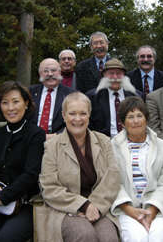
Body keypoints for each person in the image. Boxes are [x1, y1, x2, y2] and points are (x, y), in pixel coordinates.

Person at [36, 92, 120, 242]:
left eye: (83, 113)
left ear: (89, 115)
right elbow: (49, 187)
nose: (77, 119)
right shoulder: (52, 146)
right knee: (84, 235)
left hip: (99, 206)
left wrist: (94, 206)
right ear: (63, 115)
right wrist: (83, 205)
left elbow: (112, 178)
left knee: (109, 238)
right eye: (72, 113)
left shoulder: (104, 141)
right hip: (65, 209)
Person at [0, 81, 45, 242]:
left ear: (26, 103)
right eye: (5, 103)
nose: (10, 108)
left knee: (6, 238)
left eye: (15, 101)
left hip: (24, 203)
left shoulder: (36, 135)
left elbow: (31, 174)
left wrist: (2, 198)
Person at [111, 96, 163, 242]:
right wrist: (130, 210)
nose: (136, 121)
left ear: (146, 119)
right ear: (122, 123)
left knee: (160, 236)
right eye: (130, 117)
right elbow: (112, 183)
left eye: (139, 116)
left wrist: (151, 211)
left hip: (157, 209)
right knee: (136, 237)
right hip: (126, 209)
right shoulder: (112, 147)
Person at [87, 58, 141, 137]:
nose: (115, 77)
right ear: (104, 76)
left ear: (124, 75)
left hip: (132, 139)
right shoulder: (92, 97)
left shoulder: (136, 96)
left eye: (118, 73)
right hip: (103, 142)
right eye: (111, 73)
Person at [30, 58, 75, 139]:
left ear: (60, 72)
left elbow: (75, 120)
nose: (50, 74)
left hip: (60, 139)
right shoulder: (30, 92)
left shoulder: (71, 94)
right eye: (46, 71)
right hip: (32, 139)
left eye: (53, 70)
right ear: (40, 74)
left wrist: (56, 136)